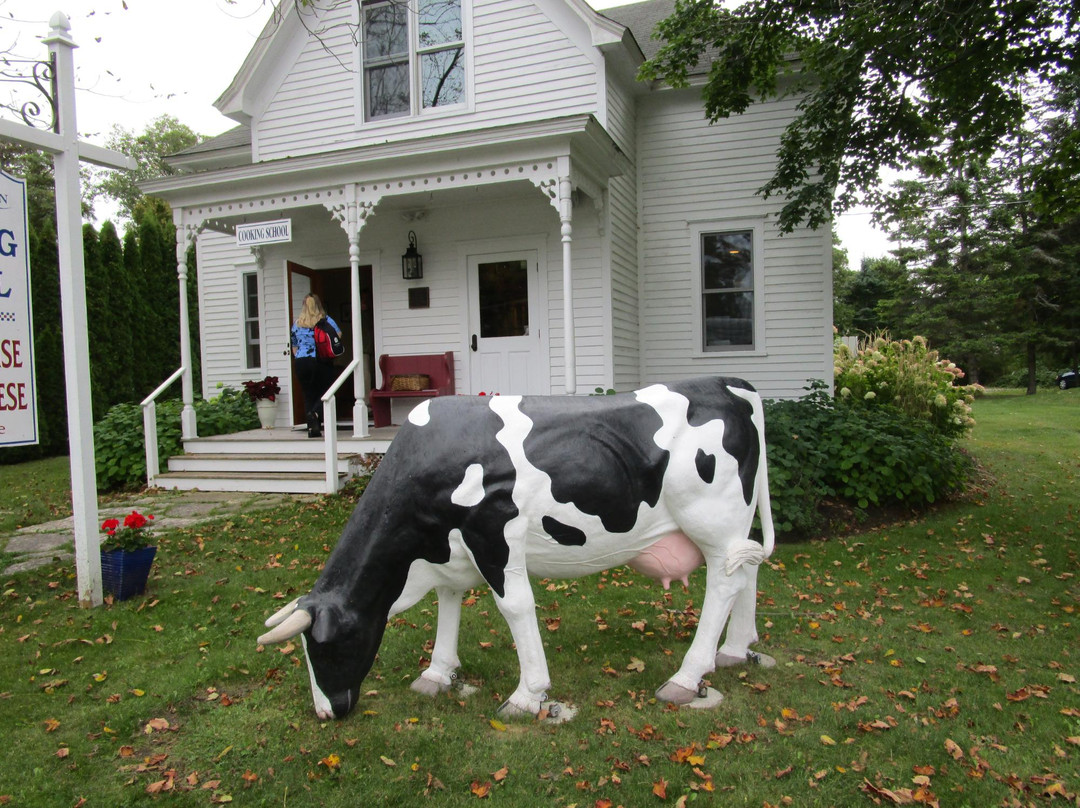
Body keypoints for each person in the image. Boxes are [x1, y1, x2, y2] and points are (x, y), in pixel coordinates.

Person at [291, 293, 341, 438]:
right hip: (320, 360)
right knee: (327, 391)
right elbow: (338, 335)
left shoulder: (297, 323)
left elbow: (294, 346)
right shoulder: (325, 321)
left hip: (301, 361)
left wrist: (301, 354)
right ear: (319, 304)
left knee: (308, 394)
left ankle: (313, 429)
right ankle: (316, 413)